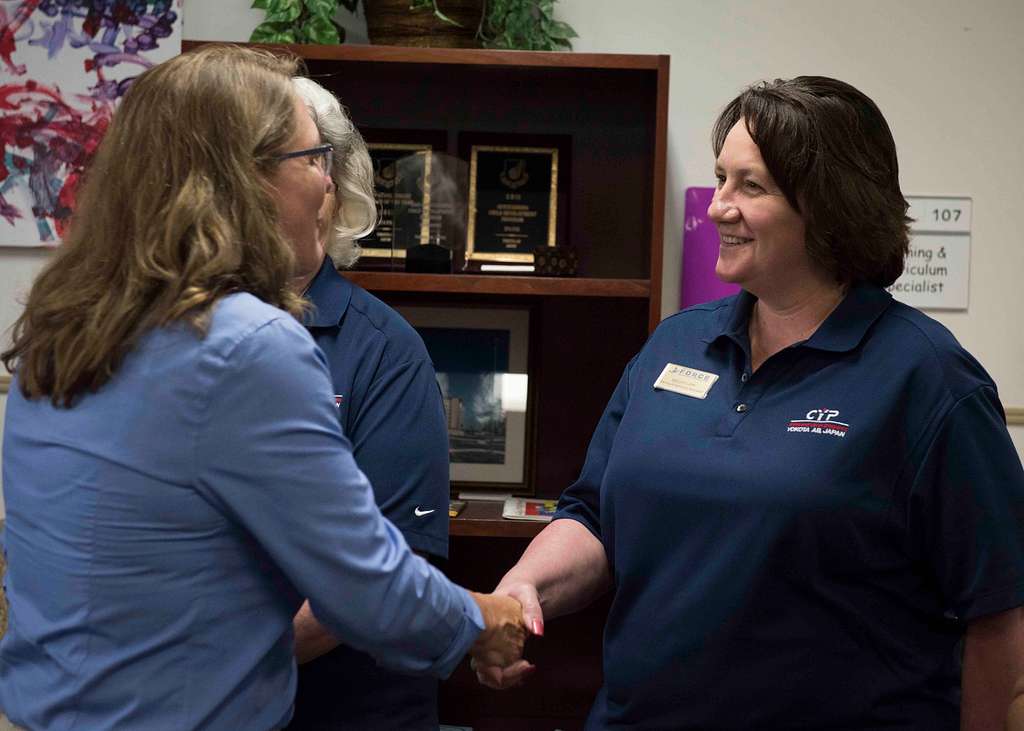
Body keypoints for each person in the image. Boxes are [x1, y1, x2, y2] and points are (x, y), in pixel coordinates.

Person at [0, 45, 525, 731]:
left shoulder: (59, 327)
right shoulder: (246, 343)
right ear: (246, 179)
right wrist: (482, 619)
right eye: (315, 159)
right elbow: (365, 587)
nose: (327, 185)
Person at [478, 76, 1024, 729]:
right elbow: (596, 515)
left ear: (829, 207)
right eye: (720, 178)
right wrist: (526, 581)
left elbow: (998, 612)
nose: (716, 207)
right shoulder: (676, 343)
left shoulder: (928, 378)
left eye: (751, 186)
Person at [283, 78, 453, 730]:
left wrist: (235, 660)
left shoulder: (384, 349)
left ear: (331, 186)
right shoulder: (191, 331)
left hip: (349, 704)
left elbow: (393, 561)